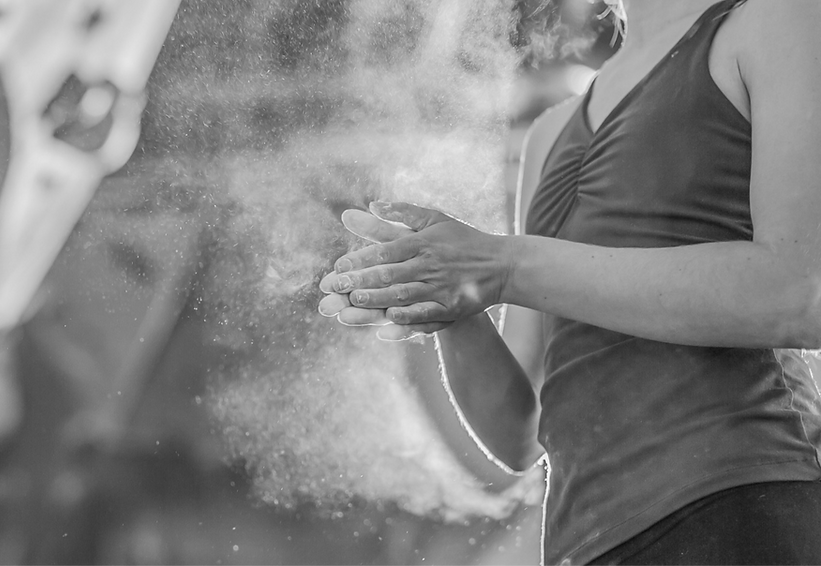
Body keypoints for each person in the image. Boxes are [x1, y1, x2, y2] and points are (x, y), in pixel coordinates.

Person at [317, 0, 821, 564]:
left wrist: (504, 265)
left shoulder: (779, 19)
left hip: (741, 498)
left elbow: (799, 294)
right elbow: (520, 432)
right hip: (581, 545)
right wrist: (450, 300)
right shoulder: (549, 133)